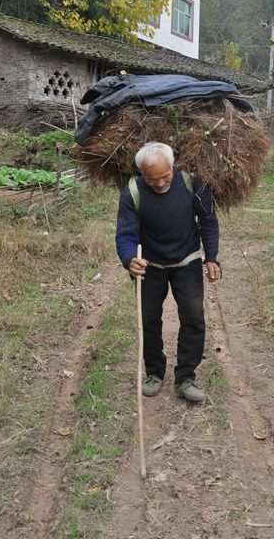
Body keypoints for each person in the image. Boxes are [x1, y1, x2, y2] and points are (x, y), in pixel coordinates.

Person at [115, 142, 221, 404]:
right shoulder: (132, 192)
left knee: (193, 319)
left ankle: (186, 377)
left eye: (166, 176)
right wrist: (129, 259)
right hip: (151, 266)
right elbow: (125, 234)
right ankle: (154, 372)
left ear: (173, 167)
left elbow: (208, 220)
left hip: (187, 260)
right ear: (142, 174)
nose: (161, 183)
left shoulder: (191, 183)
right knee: (149, 320)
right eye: (153, 180)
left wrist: (212, 258)